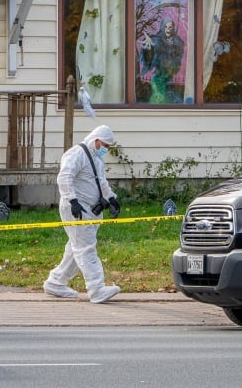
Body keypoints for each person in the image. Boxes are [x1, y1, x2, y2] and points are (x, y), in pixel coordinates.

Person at [43, 125, 122, 304]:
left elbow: (100, 181)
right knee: (86, 248)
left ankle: (56, 282)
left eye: (108, 147)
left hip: (88, 209)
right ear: (95, 140)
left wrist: (111, 198)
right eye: (104, 145)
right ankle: (96, 288)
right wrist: (72, 201)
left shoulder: (97, 160)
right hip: (77, 209)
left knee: (76, 247)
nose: (106, 149)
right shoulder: (76, 154)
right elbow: (64, 177)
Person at [139, 18, 185, 104]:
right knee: (158, 94)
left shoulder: (177, 41)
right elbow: (149, 57)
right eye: (165, 27)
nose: (167, 29)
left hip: (170, 74)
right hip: (159, 74)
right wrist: (148, 50)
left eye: (170, 27)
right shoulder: (156, 39)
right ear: (162, 27)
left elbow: (180, 55)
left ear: (173, 28)